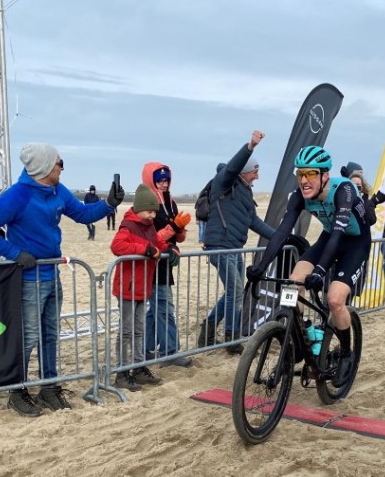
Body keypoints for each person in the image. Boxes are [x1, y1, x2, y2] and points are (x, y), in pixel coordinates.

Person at [0, 142, 122, 417]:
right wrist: (15, 253)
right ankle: (17, 392)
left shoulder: (57, 190)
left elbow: (82, 214)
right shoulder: (17, 196)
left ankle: (49, 387)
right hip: (29, 278)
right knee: (28, 337)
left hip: (52, 272)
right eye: (58, 163)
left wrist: (109, 203)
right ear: (43, 167)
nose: (62, 167)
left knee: (50, 335)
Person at [247, 145, 369, 387]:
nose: (304, 180)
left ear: (324, 175)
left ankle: (346, 354)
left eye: (310, 174)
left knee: (335, 300)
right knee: (293, 285)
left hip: (353, 242)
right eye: (300, 174)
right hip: (328, 238)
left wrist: (321, 271)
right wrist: (261, 266)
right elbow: (282, 233)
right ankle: (300, 337)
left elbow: (338, 232)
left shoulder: (343, 189)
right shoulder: (299, 195)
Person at [199, 130, 276, 353]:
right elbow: (233, 166)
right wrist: (250, 146)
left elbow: (254, 221)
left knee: (235, 291)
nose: (257, 176)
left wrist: (281, 237)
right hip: (220, 246)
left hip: (235, 247)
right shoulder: (224, 182)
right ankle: (232, 339)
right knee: (235, 291)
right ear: (244, 172)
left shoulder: (245, 191)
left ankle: (209, 328)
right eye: (254, 172)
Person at [110, 184, 170, 392]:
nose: (153, 215)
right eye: (150, 211)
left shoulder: (149, 226)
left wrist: (167, 249)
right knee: (126, 330)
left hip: (143, 287)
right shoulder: (128, 225)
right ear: (139, 209)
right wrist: (144, 249)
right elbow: (117, 246)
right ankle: (122, 371)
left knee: (139, 329)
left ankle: (138, 366)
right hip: (128, 287)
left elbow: (156, 243)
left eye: (155, 211)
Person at [141, 162, 193, 367]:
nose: (163, 184)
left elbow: (176, 238)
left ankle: (144, 349)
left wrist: (180, 232)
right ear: (151, 181)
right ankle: (170, 351)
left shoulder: (171, 202)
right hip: (153, 262)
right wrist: (173, 227)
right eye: (159, 181)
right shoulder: (148, 203)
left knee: (156, 309)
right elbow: (151, 237)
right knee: (164, 307)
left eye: (166, 180)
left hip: (165, 262)